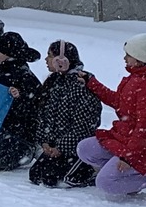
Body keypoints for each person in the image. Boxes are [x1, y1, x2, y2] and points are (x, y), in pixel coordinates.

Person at [79, 34, 146, 200]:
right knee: (85, 149)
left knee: (105, 183)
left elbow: (145, 127)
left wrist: (129, 157)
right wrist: (92, 82)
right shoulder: (138, 77)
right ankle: (128, 178)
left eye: (128, 55)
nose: (124, 58)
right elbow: (119, 102)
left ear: (139, 58)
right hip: (125, 138)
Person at [29, 41, 100, 188]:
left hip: (75, 147)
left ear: (61, 61)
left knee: (55, 179)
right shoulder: (54, 82)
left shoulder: (80, 85)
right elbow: (43, 116)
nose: (46, 60)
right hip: (56, 146)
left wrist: (61, 147)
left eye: (50, 56)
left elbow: (83, 126)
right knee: (36, 174)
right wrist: (45, 142)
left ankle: (91, 169)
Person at [0, 29, 44, 170]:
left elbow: (35, 106)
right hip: (1, 127)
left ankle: (28, 152)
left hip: (19, 134)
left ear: (8, 54)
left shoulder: (23, 75)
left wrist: (19, 97)